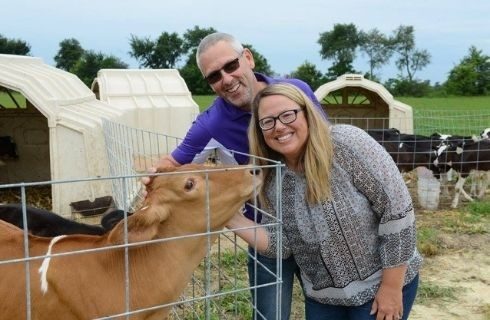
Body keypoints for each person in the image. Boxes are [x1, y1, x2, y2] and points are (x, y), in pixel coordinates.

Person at [147, 32, 326, 320]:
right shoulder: (211, 124)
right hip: (264, 231)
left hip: (317, 223)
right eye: (214, 76)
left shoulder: (296, 92)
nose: (226, 79)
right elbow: (173, 162)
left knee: (325, 308)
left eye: (230, 66)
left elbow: (327, 143)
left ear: (248, 58)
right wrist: (154, 177)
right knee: (270, 314)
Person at [226, 83, 422, 320]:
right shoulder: (273, 177)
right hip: (323, 298)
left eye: (288, 115)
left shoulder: (347, 144)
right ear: (259, 131)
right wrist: (229, 217)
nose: (279, 126)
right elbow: (283, 245)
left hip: (380, 285)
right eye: (268, 122)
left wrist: (391, 288)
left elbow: (396, 212)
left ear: (306, 113)